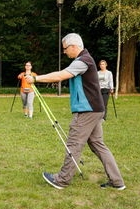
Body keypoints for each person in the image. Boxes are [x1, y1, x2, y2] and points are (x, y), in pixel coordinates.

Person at [25, 33, 125, 190]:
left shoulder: (83, 61)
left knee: (73, 143)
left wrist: (36, 79)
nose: (64, 52)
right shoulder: (85, 59)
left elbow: (60, 75)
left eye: (65, 49)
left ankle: (61, 180)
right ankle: (117, 181)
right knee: (98, 145)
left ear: (73, 47)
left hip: (87, 110)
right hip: (96, 109)